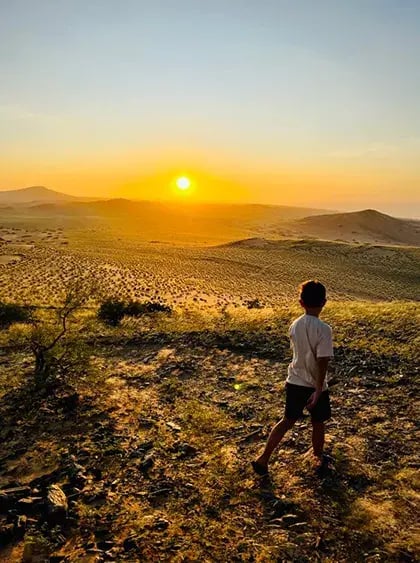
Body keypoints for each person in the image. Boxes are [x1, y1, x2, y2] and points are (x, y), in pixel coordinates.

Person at [252, 280, 333, 476]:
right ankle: (317, 458)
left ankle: (264, 458)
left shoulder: (294, 325)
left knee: (287, 420)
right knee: (318, 423)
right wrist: (318, 389)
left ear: (300, 302)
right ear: (324, 302)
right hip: (315, 385)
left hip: (294, 380)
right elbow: (322, 362)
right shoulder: (324, 329)